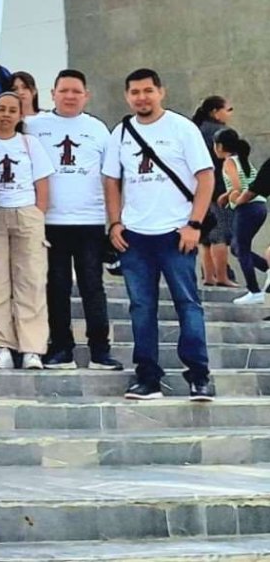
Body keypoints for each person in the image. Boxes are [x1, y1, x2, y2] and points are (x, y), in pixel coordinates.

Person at [104, 68, 215, 402]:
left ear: (161, 92)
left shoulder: (182, 128)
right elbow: (111, 180)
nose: (142, 97)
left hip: (176, 233)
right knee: (141, 307)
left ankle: (199, 375)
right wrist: (114, 223)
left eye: (148, 90)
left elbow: (205, 177)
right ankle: (147, 376)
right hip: (135, 236)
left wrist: (194, 224)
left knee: (187, 305)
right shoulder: (121, 132)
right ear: (127, 96)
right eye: (135, 92)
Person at [29, 70, 122, 370]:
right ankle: (61, 348)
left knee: (92, 286)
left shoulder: (98, 130)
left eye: (76, 91)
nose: (70, 96)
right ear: (52, 93)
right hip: (49, 221)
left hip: (90, 222)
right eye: (64, 90)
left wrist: (114, 221)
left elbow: (111, 178)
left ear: (86, 95)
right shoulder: (33, 127)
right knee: (55, 286)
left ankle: (100, 350)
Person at [0, 92, 54, 370]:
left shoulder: (29, 143)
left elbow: (43, 181)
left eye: (13, 110)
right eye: (2, 109)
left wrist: (37, 213)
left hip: (26, 213)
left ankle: (32, 348)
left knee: (30, 280)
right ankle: (0, 346)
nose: (6, 114)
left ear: (21, 115)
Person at [215, 128, 268, 304]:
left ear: (220, 146)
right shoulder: (242, 159)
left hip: (246, 207)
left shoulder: (229, 162)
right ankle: (267, 268)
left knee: (241, 248)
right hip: (259, 206)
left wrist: (233, 198)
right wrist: (226, 195)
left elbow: (237, 186)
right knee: (237, 247)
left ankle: (254, 291)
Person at [191, 95, 235, 288]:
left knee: (205, 237)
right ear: (215, 112)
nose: (229, 114)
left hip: (198, 189)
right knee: (220, 235)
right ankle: (222, 276)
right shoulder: (221, 133)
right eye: (228, 109)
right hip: (219, 188)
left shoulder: (196, 130)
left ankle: (208, 277)